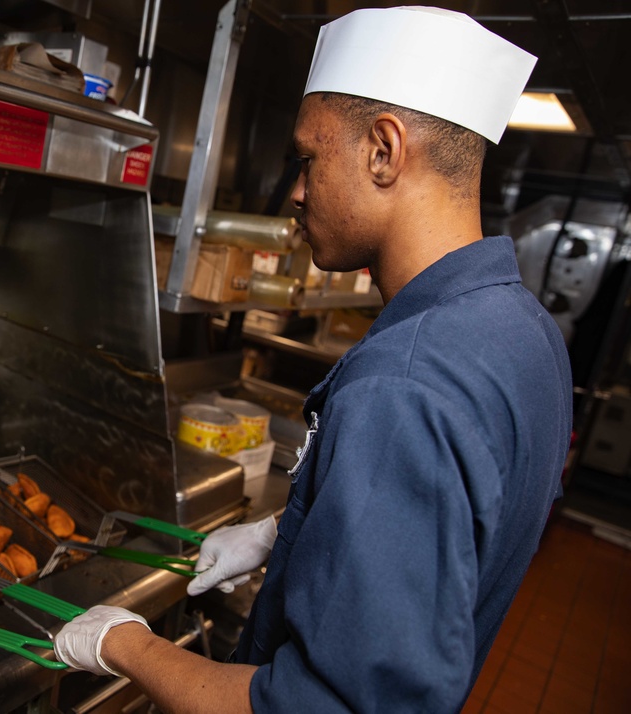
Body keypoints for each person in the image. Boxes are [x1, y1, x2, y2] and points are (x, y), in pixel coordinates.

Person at [54, 6, 573, 712]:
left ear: (383, 151)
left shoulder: (404, 386)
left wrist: (124, 644)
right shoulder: (524, 331)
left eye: (309, 158)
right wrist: (285, 530)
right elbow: (454, 533)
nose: (297, 190)